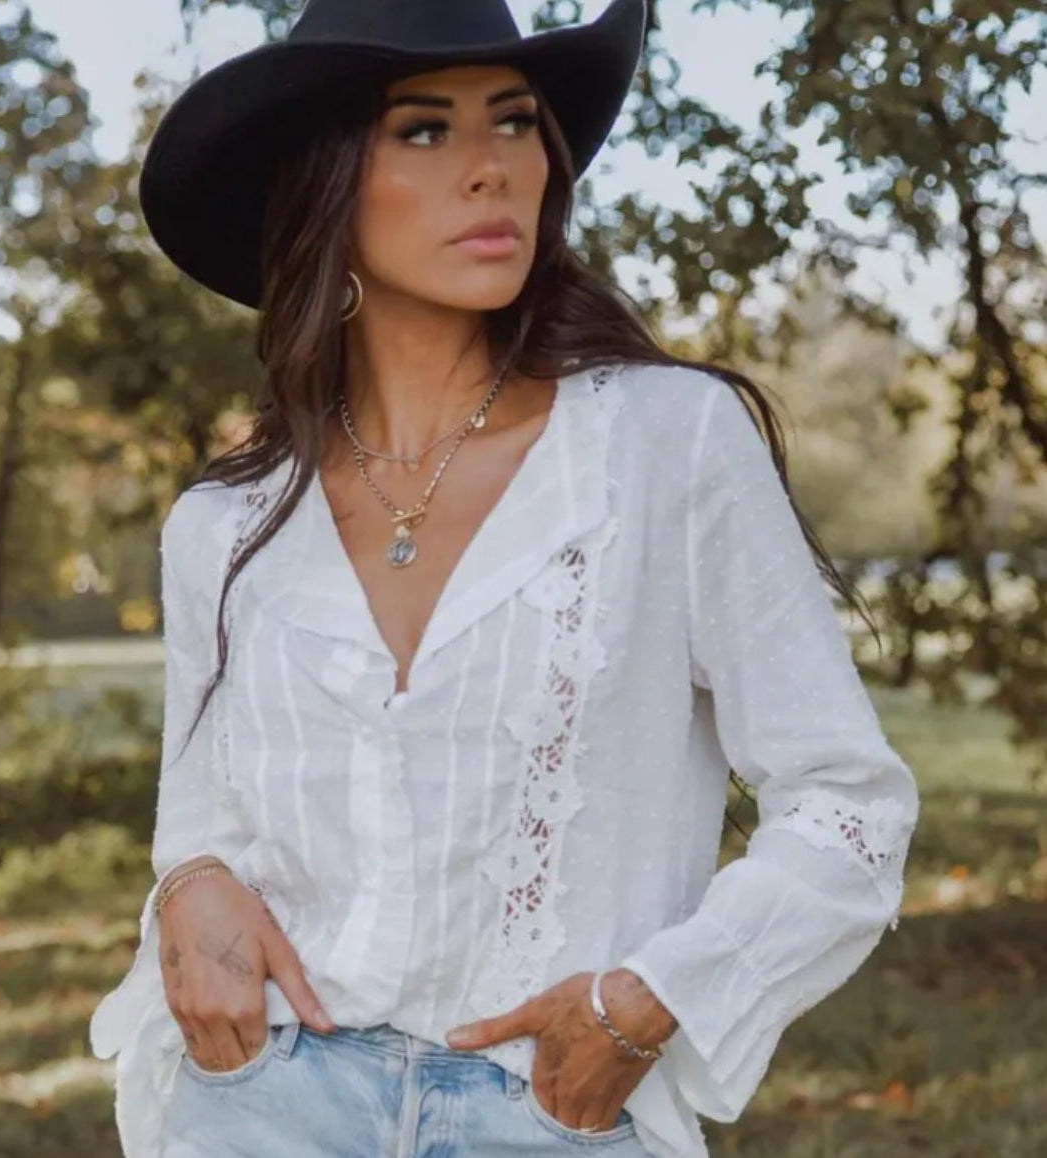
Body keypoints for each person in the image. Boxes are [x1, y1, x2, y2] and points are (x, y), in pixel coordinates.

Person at [88, 0, 921, 1155]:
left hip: (548, 1114)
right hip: (258, 1107)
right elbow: (200, 819)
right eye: (424, 131)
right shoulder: (221, 526)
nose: (489, 169)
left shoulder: (667, 444)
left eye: (515, 123)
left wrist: (646, 1000)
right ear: (323, 182)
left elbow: (848, 805)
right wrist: (189, 888)